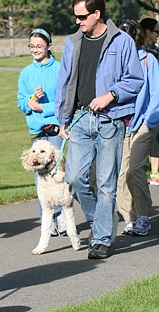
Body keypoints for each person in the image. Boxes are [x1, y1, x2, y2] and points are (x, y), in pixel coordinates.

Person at [55, 0, 143, 260]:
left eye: (82, 16)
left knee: (106, 184)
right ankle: (101, 222)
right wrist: (62, 117)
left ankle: (102, 238)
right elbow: (65, 81)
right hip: (80, 120)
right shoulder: (73, 42)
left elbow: (135, 79)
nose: (77, 22)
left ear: (97, 13)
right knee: (74, 178)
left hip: (110, 120)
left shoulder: (122, 42)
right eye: (75, 16)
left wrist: (111, 95)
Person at [17, 28, 67, 237]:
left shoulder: (59, 68)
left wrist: (43, 108)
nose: (35, 50)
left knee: (58, 174)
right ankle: (48, 221)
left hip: (57, 128)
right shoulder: (26, 72)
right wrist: (32, 100)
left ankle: (63, 217)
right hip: (38, 131)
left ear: (48, 46)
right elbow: (21, 102)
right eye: (32, 47)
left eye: (39, 46)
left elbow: (65, 99)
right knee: (40, 176)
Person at [116, 18, 159, 237]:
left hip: (143, 123)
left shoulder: (149, 60)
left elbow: (156, 96)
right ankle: (129, 217)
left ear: (136, 36)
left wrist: (149, 121)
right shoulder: (116, 61)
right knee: (122, 174)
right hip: (121, 124)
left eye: (128, 35)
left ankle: (143, 216)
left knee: (134, 169)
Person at [139, 18, 159, 186]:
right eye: (156, 31)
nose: (158, 35)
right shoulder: (147, 55)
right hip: (145, 109)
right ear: (147, 32)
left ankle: (154, 174)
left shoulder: (153, 53)